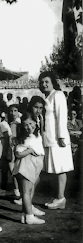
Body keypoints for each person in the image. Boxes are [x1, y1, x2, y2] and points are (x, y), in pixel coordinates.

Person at [38, 71, 74, 210]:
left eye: (47, 81)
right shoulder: (47, 97)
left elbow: (61, 117)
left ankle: (61, 199)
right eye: (42, 82)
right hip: (48, 139)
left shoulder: (58, 95)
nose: (44, 84)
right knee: (53, 169)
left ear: (53, 82)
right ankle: (58, 196)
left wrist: (61, 137)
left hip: (58, 139)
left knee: (60, 168)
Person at [13, 111, 46, 224]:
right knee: (26, 192)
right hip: (25, 166)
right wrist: (30, 150)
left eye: (31, 123)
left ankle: (24, 214)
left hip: (33, 166)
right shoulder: (24, 139)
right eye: (26, 125)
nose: (29, 127)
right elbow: (17, 153)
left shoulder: (37, 136)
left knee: (29, 190)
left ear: (36, 123)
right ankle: (29, 216)